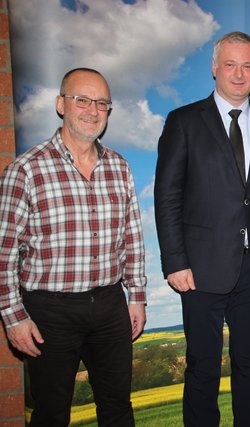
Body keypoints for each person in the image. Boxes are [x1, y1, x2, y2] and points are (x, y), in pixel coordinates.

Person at [154, 31, 250, 426]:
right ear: (214, 68)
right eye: (230, 64)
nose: (238, 73)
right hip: (198, 269)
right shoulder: (183, 121)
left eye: (247, 66)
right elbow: (168, 196)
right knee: (202, 367)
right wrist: (174, 261)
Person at [0, 68, 146, 426]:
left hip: (111, 307)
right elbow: (4, 253)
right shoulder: (26, 169)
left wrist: (137, 295)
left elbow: (133, 236)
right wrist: (13, 317)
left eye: (102, 103)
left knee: (117, 409)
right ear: (60, 105)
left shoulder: (119, 166)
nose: (92, 110)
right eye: (82, 100)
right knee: (51, 414)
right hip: (50, 311)